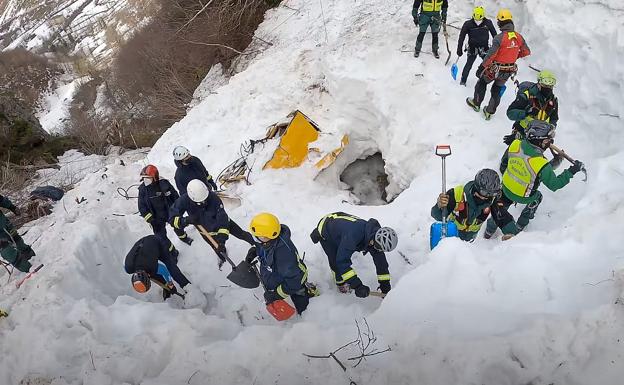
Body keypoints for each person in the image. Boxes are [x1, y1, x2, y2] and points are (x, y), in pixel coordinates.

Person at [484, 120, 584, 237]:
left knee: (500, 208)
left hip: (505, 187)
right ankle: (521, 223)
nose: (549, 143)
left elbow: (510, 163)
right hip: (523, 196)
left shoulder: (515, 144)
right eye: (547, 140)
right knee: (537, 197)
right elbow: (554, 184)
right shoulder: (541, 164)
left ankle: (490, 229)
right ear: (538, 141)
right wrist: (572, 171)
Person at [310, 212, 397, 298]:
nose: (378, 250)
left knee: (343, 252)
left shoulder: (375, 238)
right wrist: (357, 285)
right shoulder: (353, 236)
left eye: (381, 249)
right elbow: (342, 262)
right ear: (374, 239)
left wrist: (385, 285)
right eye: (378, 247)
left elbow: (381, 263)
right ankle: (341, 284)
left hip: (341, 225)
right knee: (336, 262)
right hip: (327, 229)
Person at [169, 179, 254, 268]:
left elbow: (222, 218)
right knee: (217, 248)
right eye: (200, 202)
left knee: (241, 234)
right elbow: (172, 219)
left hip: (223, 224)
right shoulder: (184, 201)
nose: (204, 202)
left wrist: (221, 240)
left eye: (205, 199)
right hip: (206, 232)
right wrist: (185, 221)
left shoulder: (213, 197)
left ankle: (256, 243)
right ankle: (223, 258)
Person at [245, 213, 318, 315]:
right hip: (277, 274)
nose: (255, 239)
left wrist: (276, 295)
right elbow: (262, 246)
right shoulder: (268, 240)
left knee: (301, 302)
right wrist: (255, 251)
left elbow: (294, 281)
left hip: (294, 279)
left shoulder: (284, 255)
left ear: (267, 237)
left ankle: (308, 295)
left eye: (257, 237)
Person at [466, 9, 531, 120]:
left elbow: (490, 55)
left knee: (481, 83)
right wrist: (514, 56)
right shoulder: (519, 37)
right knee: (497, 89)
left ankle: (476, 103)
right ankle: (489, 111)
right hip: (508, 70)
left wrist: (481, 67)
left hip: (494, 69)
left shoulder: (499, 38)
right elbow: (526, 52)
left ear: (501, 23)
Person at [431, 169, 519, 241]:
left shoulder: (492, 199)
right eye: (484, 192)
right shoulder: (456, 194)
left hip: (471, 236)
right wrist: (439, 206)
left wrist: (512, 233)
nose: (486, 197)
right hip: (453, 233)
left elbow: (502, 216)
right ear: (476, 187)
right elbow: (437, 216)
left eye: (491, 194)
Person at [138, 165, 193, 258]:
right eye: (144, 178)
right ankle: (173, 252)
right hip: (156, 217)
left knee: (178, 225)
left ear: (155, 177)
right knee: (161, 238)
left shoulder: (164, 184)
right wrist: (150, 219)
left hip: (169, 212)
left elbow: (175, 196)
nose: (145, 180)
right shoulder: (143, 190)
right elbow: (141, 207)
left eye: (148, 178)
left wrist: (177, 209)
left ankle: (183, 237)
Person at [124, 235, 191, 300]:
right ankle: (166, 288)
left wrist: (171, 285)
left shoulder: (151, 265)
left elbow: (165, 271)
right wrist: (166, 286)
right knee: (153, 273)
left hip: (156, 241)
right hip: (142, 244)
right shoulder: (128, 268)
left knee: (171, 267)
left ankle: (187, 286)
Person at [504, 70, 559, 145]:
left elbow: (554, 118)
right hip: (521, 133)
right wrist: (526, 112)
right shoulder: (527, 96)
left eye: (550, 86)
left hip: (539, 137)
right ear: (538, 84)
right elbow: (510, 113)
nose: (548, 88)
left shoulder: (553, 101)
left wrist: (552, 128)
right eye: (545, 85)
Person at [456, 6, 497, 86]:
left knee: (489, 65)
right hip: (472, 48)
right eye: (476, 18)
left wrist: (496, 49)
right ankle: (463, 80)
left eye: (480, 19)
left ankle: (490, 80)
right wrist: (459, 48)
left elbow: (495, 36)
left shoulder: (488, 23)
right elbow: (461, 37)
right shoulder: (468, 24)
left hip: (484, 48)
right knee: (468, 64)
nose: (478, 21)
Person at [0, 194, 35, 273]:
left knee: (19, 242)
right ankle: (29, 270)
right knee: (7, 252)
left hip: (5, 225)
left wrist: (12, 207)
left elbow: (2, 200)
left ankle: (33, 258)